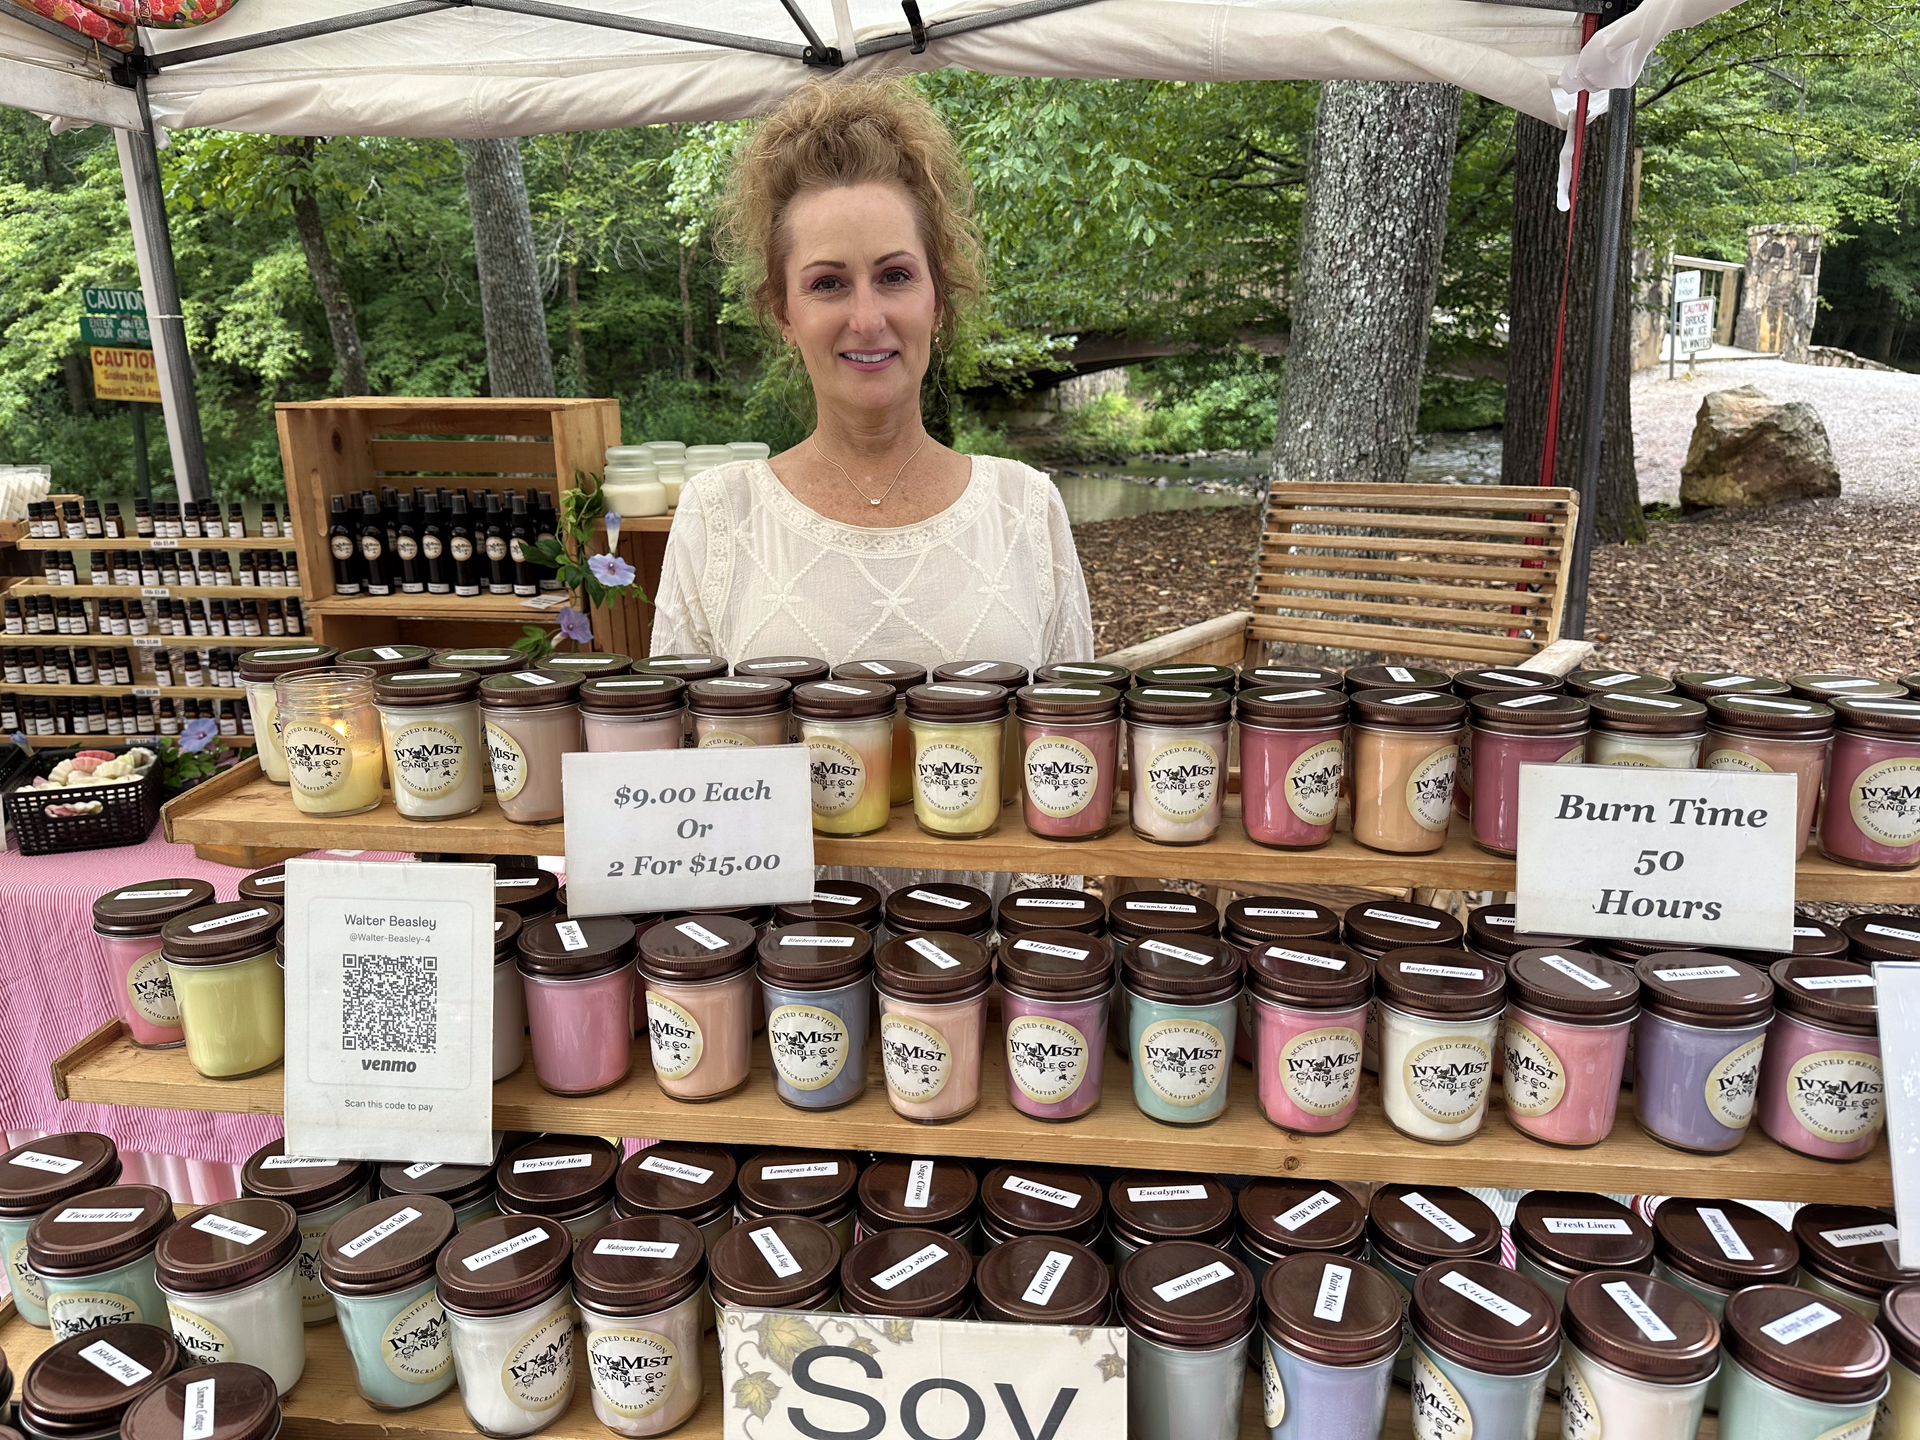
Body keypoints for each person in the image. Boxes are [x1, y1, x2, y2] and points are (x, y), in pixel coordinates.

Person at [648, 78, 1093, 671]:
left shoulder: (1027, 511)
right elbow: (671, 751)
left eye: (895, 276)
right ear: (784, 314)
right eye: (827, 284)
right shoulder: (718, 517)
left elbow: (1074, 742)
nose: (866, 319)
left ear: (938, 299)